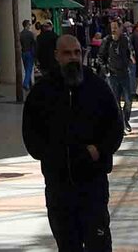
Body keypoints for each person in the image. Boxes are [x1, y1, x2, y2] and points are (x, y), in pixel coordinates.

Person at [23, 31, 124, 252]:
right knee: (68, 245)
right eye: (67, 53)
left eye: (77, 52)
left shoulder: (97, 87)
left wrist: (99, 150)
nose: (73, 58)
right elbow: (31, 134)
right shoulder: (43, 92)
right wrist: (52, 155)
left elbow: (116, 126)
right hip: (59, 187)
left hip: (93, 185)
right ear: (57, 56)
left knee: (99, 243)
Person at [99, 19, 134, 133]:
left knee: (128, 101)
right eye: (111, 27)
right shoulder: (106, 41)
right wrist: (106, 71)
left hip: (124, 74)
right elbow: (101, 57)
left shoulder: (125, 39)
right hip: (112, 75)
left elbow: (129, 53)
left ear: (120, 28)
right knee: (116, 101)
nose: (113, 29)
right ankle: (121, 125)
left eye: (115, 27)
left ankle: (126, 119)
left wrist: (130, 62)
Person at [21, 20, 38, 92]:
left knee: (26, 68)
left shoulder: (20, 34)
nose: (30, 26)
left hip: (23, 52)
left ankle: (29, 83)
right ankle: (25, 83)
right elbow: (35, 43)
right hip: (30, 53)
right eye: (29, 25)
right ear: (27, 25)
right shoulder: (31, 34)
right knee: (29, 69)